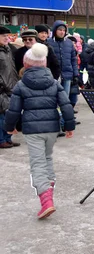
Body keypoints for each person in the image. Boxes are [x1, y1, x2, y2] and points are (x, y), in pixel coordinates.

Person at [3, 43, 75, 218]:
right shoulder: (53, 83)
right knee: (47, 158)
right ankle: (48, 191)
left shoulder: (21, 85)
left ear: (26, 64)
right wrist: (69, 126)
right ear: (44, 64)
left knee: (37, 163)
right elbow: (66, 105)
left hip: (32, 130)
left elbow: (13, 110)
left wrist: (9, 128)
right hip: (51, 129)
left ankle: (46, 200)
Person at [47, 21, 78, 107]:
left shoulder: (69, 43)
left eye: (64, 30)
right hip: (54, 76)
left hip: (67, 75)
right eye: (60, 30)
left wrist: (75, 74)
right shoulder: (49, 42)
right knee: (54, 98)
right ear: (55, 30)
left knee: (65, 99)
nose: (62, 32)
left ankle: (64, 119)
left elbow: (73, 60)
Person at [0, 26, 20, 149]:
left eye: (7, 36)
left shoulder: (7, 49)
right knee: (2, 116)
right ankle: (1, 140)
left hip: (11, 86)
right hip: (1, 88)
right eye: (3, 36)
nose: (7, 38)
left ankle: (8, 138)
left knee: (10, 115)